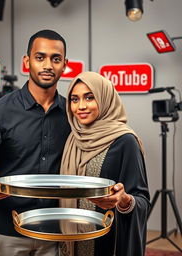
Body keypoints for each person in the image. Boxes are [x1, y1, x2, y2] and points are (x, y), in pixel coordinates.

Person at [0, 29, 71, 256]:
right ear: (27, 61)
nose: (48, 65)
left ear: (64, 64)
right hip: (7, 230)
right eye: (40, 57)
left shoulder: (72, 114)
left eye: (55, 59)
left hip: (55, 230)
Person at [59, 71, 150, 256]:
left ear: (105, 98)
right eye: (74, 99)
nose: (81, 106)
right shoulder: (73, 138)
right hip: (71, 242)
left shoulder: (125, 141)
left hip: (107, 243)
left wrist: (124, 200)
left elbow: (141, 200)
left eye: (90, 97)